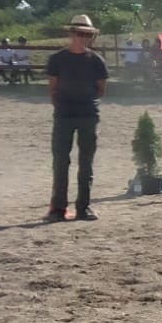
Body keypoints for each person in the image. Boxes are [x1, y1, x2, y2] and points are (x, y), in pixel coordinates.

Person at [45, 14, 109, 222]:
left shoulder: (97, 61)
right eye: (79, 33)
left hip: (88, 115)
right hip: (64, 115)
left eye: (86, 34)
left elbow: (101, 89)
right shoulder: (57, 59)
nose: (82, 38)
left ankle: (84, 207)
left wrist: (84, 103)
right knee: (61, 162)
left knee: (86, 163)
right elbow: (53, 88)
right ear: (71, 34)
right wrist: (64, 106)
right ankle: (57, 209)